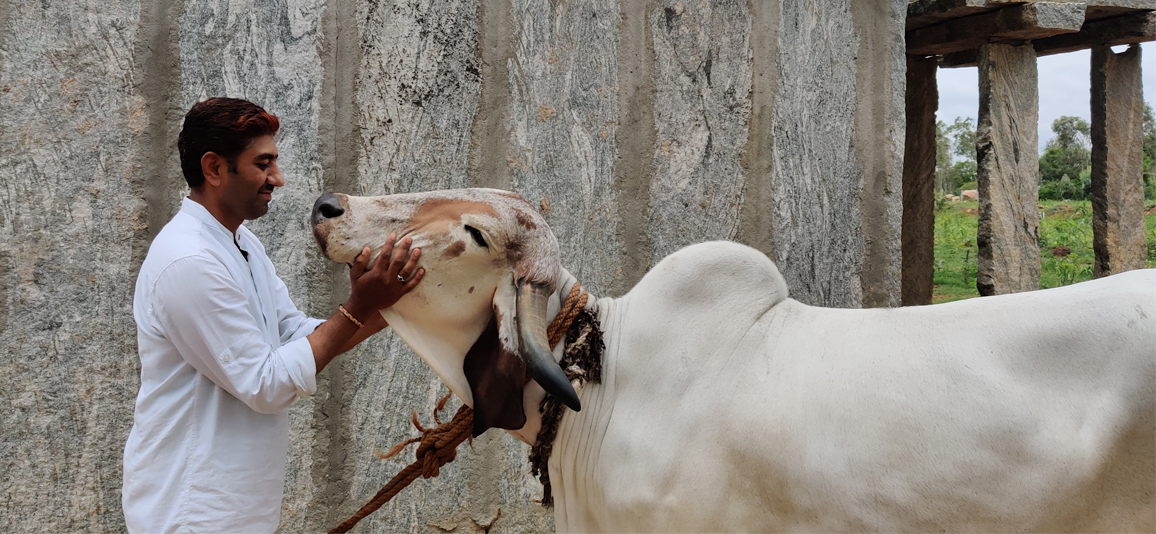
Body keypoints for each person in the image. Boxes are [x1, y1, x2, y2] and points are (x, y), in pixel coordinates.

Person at [121, 97, 422, 533]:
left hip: (236, 507)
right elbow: (265, 384)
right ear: (214, 168)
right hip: (191, 511)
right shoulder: (188, 261)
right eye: (263, 164)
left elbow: (294, 336)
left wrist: (383, 304)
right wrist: (359, 307)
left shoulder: (240, 244)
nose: (277, 179)